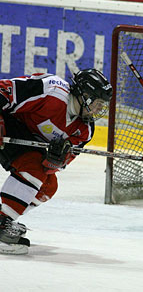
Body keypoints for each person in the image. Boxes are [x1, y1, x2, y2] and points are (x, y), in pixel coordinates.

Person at [0, 69, 112, 255]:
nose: (100, 109)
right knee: (34, 169)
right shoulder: (51, 90)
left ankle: (3, 218)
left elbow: (54, 167)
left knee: (48, 185)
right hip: (7, 123)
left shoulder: (84, 130)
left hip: (22, 145)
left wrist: (55, 160)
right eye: (99, 103)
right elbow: (3, 91)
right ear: (85, 96)